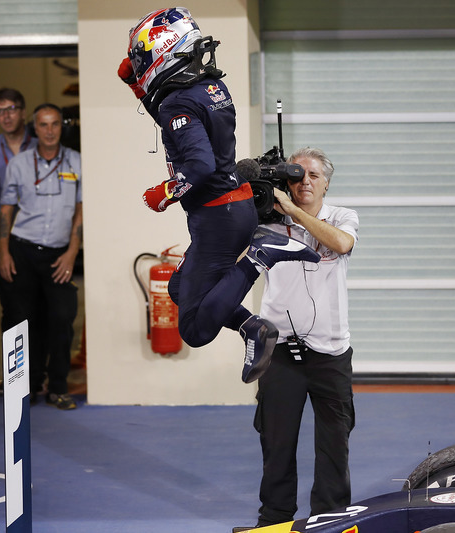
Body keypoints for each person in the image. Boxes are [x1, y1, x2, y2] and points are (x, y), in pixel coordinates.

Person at [118, 7, 319, 383]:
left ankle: (261, 255)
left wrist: (163, 193)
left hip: (217, 219)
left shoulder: (179, 102)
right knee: (179, 286)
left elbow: (198, 166)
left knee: (194, 331)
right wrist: (136, 88)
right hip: (233, 207)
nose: (142, 67)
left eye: (144, 59)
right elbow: (176, 120)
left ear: (163, 50)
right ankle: (252, 328)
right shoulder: (211, 88)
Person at [253, 147, 359, 527]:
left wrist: (294, 214)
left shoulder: (342, 217)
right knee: (276, 441)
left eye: (314, 175)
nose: (305, 182)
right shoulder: (265, 222)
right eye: (297, 176)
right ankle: (275, 519)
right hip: (279, 351)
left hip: (330, 353)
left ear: (327, 183)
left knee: (334, 443)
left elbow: (341, 244)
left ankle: (329, 517)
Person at [0, 103, 82, 410]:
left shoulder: (76, 161)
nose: (49, 130)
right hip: (22, 251)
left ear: (62, 127)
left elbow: (81, 210)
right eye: (43, 125)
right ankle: (25, 388)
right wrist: (4, 252)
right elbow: (6, 210)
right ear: (35, 129)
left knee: (62, 320)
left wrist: (73, 251)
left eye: (55, 124)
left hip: (59, 254)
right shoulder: (19, 164)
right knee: (22, 323)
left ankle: (57, 387)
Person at [0, 89, 41, 386]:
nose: (6, 116)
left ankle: (39, 377)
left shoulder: (42, 142)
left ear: (23, 111)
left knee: (40, 311)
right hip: (2, 243)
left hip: (39, 240)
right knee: (13, 313)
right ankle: (14, 382)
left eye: (11, 109)